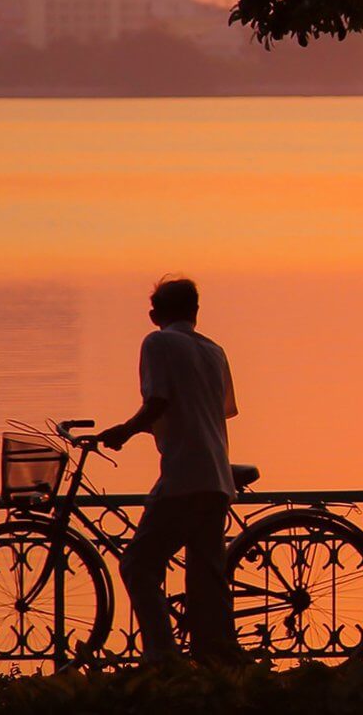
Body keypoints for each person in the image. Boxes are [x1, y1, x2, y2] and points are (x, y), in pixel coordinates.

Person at [96, 276, 244, 667]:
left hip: (183, 475)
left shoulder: (158, 343)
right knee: (206, 577)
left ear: (154, 314)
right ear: (195, 311)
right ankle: (217, 659)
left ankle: (163, 656)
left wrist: (124, 432)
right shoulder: (214, 350)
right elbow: (220, 410)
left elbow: (159, 400)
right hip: (216, 477)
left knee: (137, 565)